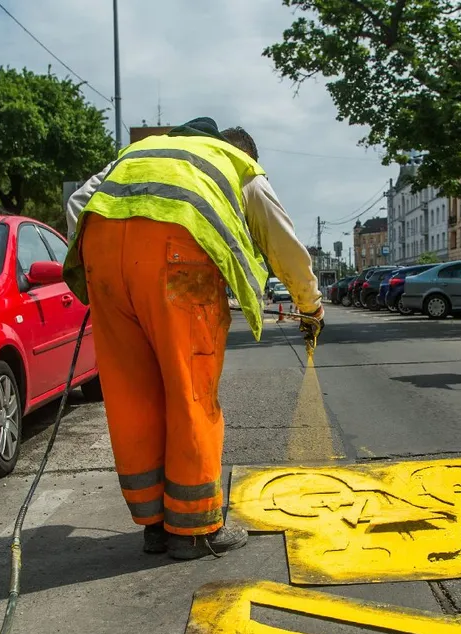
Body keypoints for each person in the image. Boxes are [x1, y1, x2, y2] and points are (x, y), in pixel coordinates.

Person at [64, 117, 324, 560]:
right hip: (176, 260)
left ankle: (153, 526)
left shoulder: (138, 154)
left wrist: (95, 257)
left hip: (103, 254)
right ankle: (193, 527)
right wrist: (309, 304)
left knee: (133, 395)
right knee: (190, 391)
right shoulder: (234, 163)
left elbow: (78, 200)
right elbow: (281, 239)